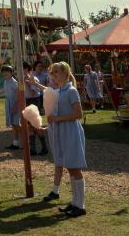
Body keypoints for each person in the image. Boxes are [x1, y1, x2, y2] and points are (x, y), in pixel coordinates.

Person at [35, 61, 88, 218]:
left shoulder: (71, 91)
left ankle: (81, 205)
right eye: (52, 73)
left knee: (74, 168)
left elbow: (79, 114)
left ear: (65, 73)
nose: (53, 76)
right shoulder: (58, 91)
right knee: (70, 167)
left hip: (71, 131)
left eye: (56, 72)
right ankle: (75, 202)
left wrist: (57, 119)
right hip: (61, 131)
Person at [23, 61, 48, 156]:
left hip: (34, 101)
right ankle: (32, 149)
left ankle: (44, 147)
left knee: (36, 126)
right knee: (29, 126)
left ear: (26, 70)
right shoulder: (23, 79)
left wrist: (26, 84)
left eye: (22, 69)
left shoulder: (33, 78)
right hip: (27, 101)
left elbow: (33, 93)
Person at [2, 65, 22, 149]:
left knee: (17, 124)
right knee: (13, 124)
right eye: (4, 71)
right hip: (8, 104)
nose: (5, 73)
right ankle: (15, 143)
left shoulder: (14, 83)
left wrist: (15, 106)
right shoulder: (5, 82)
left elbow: (19, 95)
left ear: (12, 73)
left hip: (15, 104)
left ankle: (25, 141)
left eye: (7, 71)